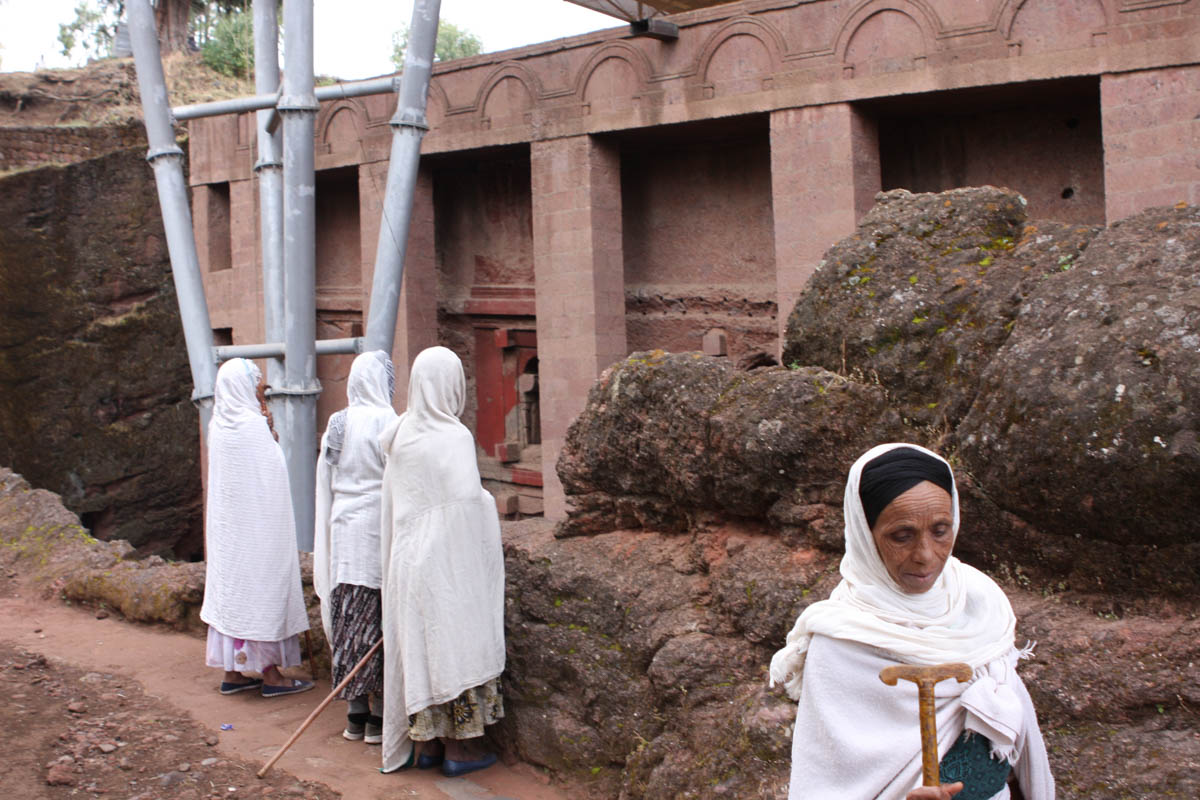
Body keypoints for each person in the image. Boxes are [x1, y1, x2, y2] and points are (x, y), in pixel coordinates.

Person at [770, 443, 1054, 800]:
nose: (925, 556)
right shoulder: (842, 642)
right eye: (901, 536)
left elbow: (1008, 748)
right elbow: (827, 786)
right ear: (864, 534)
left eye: (940, 530)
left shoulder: (979, 603)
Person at [378, 346, 506, 777]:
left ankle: (428, 746)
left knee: (421, 648)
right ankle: (460, 751)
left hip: (408, 563)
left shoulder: (400, 436)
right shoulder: (453, 437)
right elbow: (468, 503)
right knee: (456, 647)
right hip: (448, 565)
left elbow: (399, 503)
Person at [200, 358, 313, 697]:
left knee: (233, 593)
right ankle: (271, 675)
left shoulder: (218, 424)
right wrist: (272, 437)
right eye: (254, 386)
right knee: (261, 591)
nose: (257, 392)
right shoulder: (251, 426)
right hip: (257, 530)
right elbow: (273, 472)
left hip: (229, 532)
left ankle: (233, 673)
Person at [313, 351, 398, 745]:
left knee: (350, 621)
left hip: (343, 532)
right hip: (377, 531)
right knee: (378, 622)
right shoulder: (390, 422)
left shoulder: (338, 422)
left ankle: (355, 714)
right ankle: (379, 719)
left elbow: (324, 475)